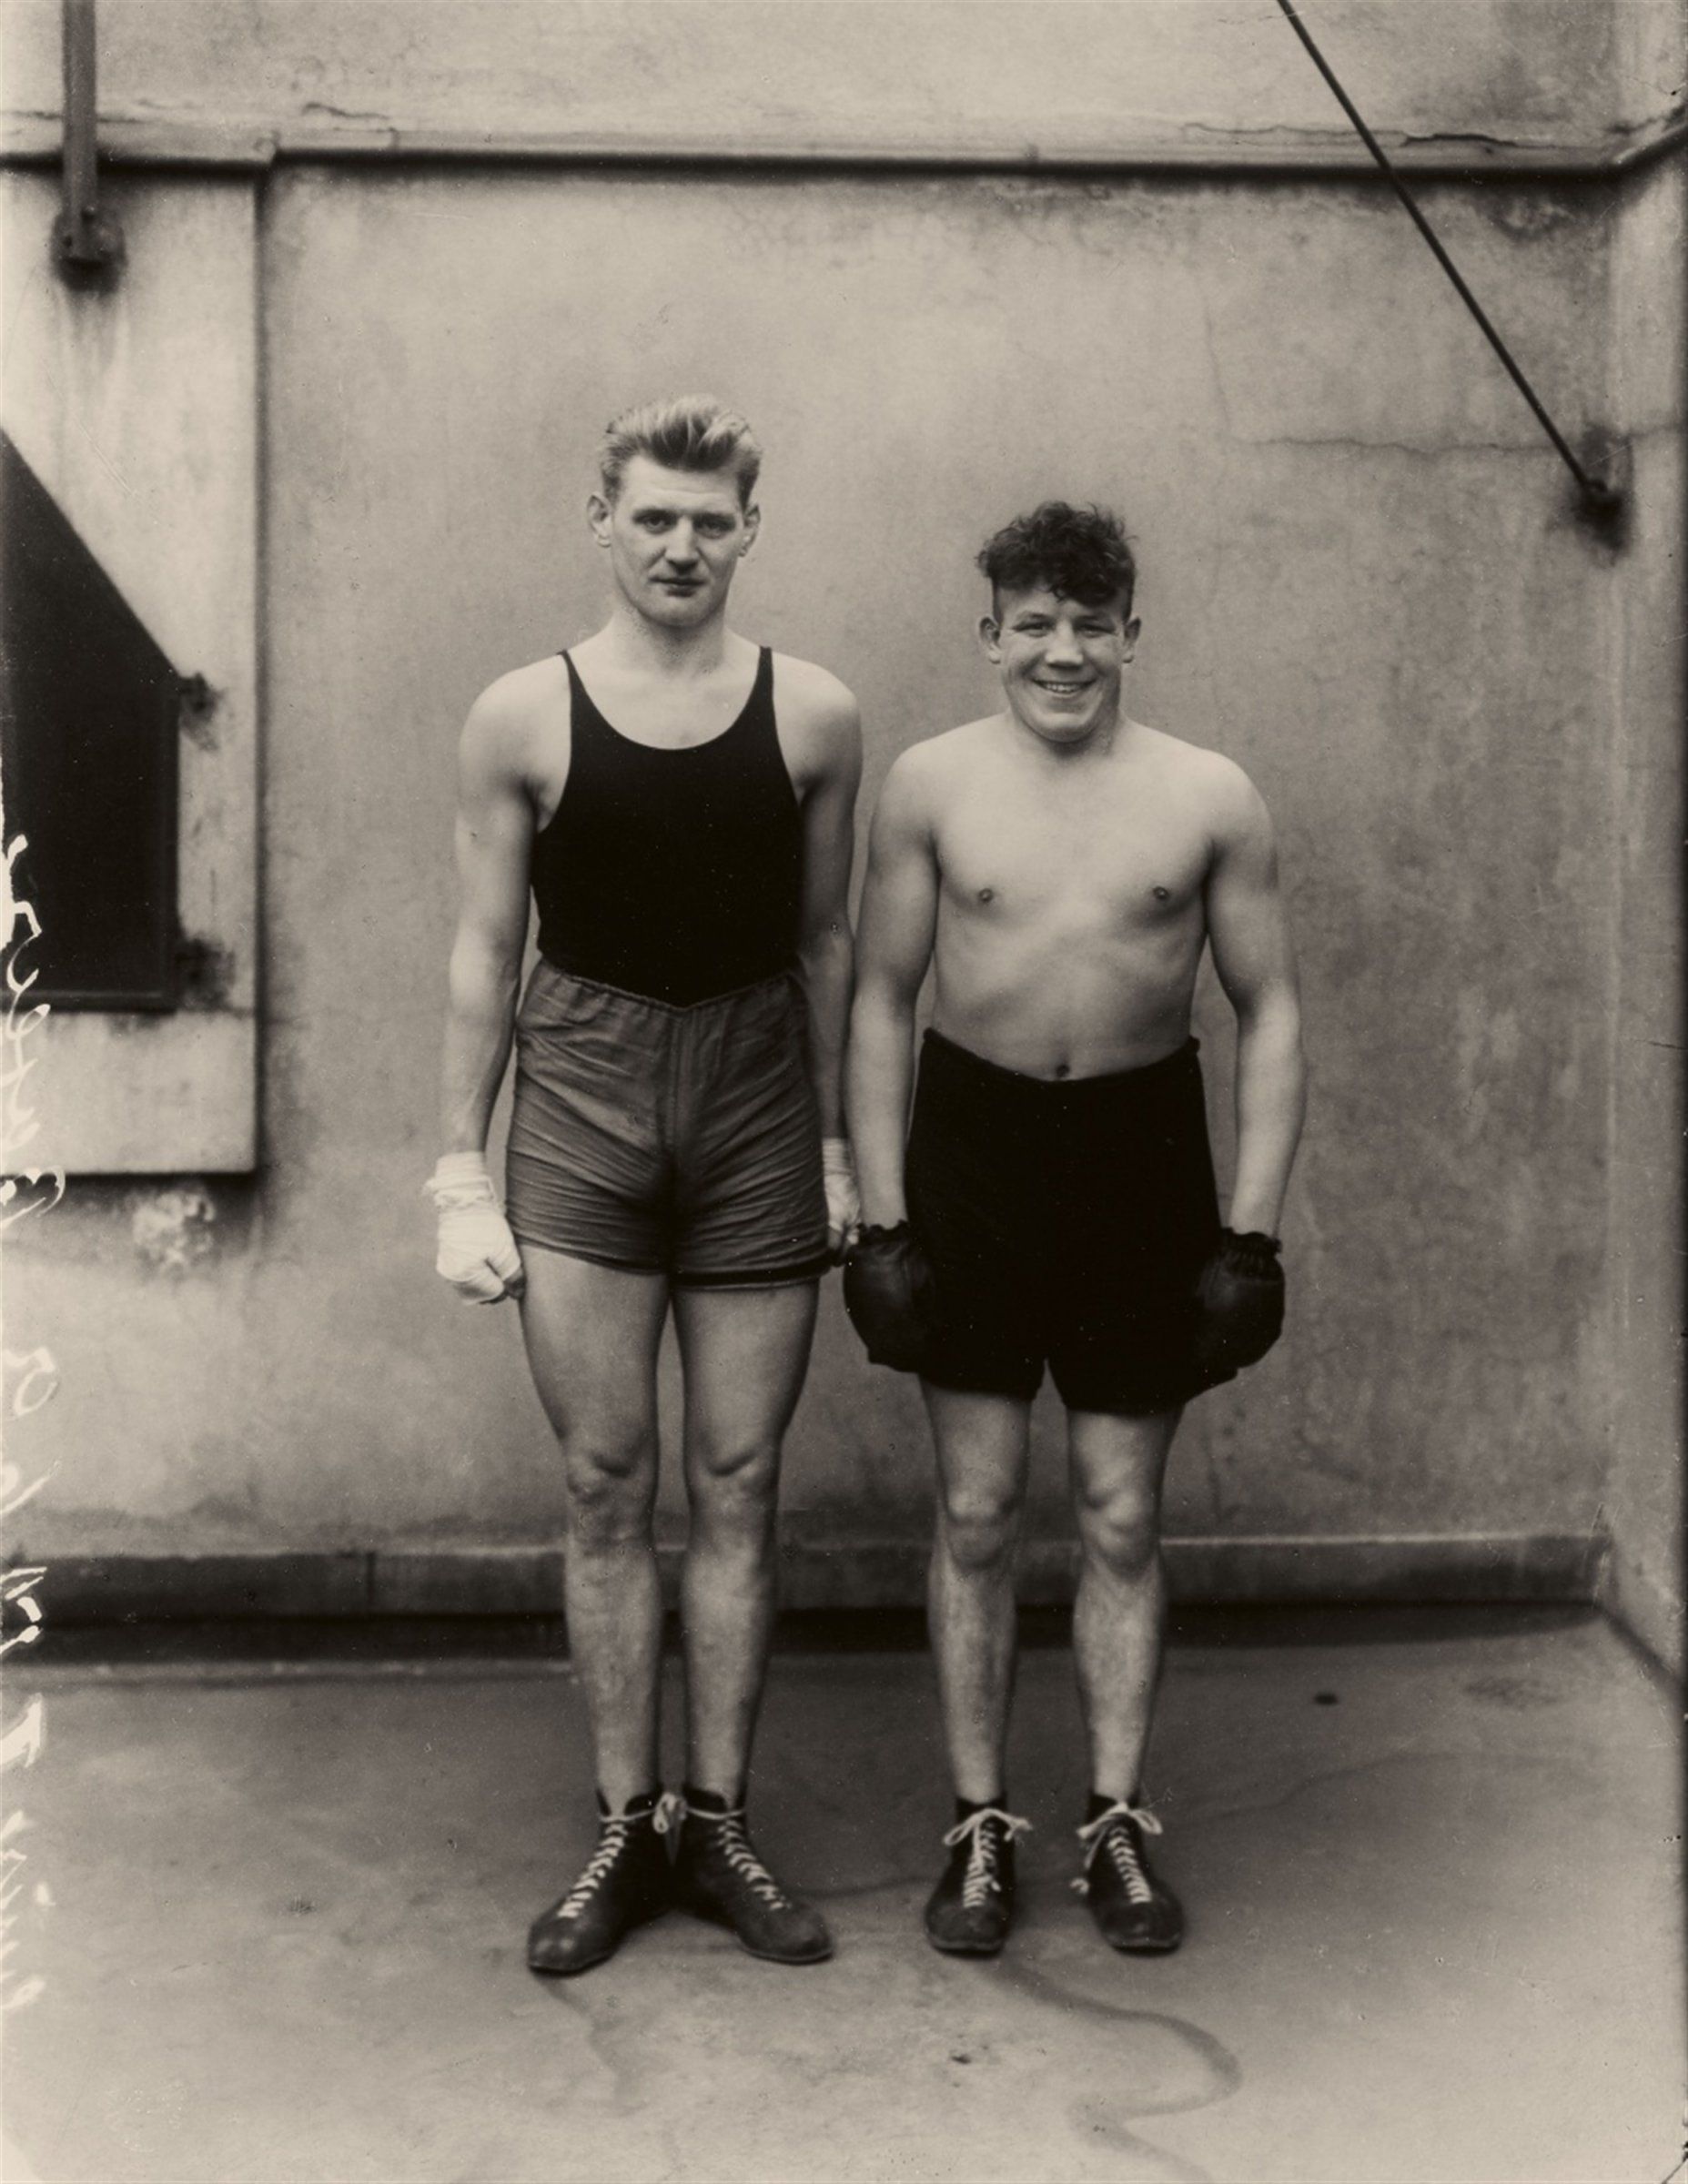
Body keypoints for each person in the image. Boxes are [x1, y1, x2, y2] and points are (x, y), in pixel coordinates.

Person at [429, 397, 862, 1975]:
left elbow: (826, 947)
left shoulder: (812, 712)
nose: (683, 545)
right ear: (600, 520)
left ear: (752, 528)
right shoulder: (522, 716)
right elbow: (487, 948)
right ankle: (625, 1825)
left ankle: (719, 1818)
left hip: (754, 1103)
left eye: (712, 519)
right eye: (654, 516)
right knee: (608, 1480)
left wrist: (835, 1148)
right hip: (586, 1105)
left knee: (740, 1481)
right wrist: (453, 1173)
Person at [844, 501, 1305, 1958]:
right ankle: (978, 1827)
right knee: (977, 1512)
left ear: (1131, 634)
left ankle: (1115, 1823)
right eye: (1032, 623)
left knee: (1120, 1510)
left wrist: (1252, 1236)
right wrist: (880, 1215)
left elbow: (1270, 1011)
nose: (1062, 650)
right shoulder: (928, 786)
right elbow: (876, 1001)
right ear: (990, 636)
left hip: (1137, 1155)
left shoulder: (1209, 795)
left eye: (1090, 622)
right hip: (973, 1154)